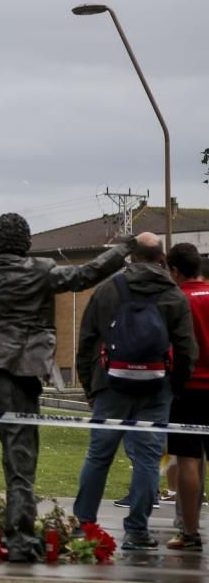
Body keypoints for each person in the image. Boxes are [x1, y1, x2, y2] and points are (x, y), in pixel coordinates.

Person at [0, 214, 135, 562]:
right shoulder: (41, 271)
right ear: (27, 243)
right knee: (20, 464)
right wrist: (121, 250)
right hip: (18, 376)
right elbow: (84, 275)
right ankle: (18, 539)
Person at [72, 233, 196, 551]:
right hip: (156, 389)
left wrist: (91, 387)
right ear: (162, 259)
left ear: (133, 257)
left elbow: (87, 341)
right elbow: (186, 350)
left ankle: (84, 523)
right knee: (148, 459)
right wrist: (174, 388)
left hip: (110, 385)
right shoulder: (173, 295)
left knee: (99, 456)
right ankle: (137, 531)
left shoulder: (108, 290)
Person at [164, 242, 209, 551]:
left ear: (175, 270)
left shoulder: (177, 301)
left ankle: (190, 533)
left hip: (190, 389)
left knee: (188, 460)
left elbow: (171, 350)